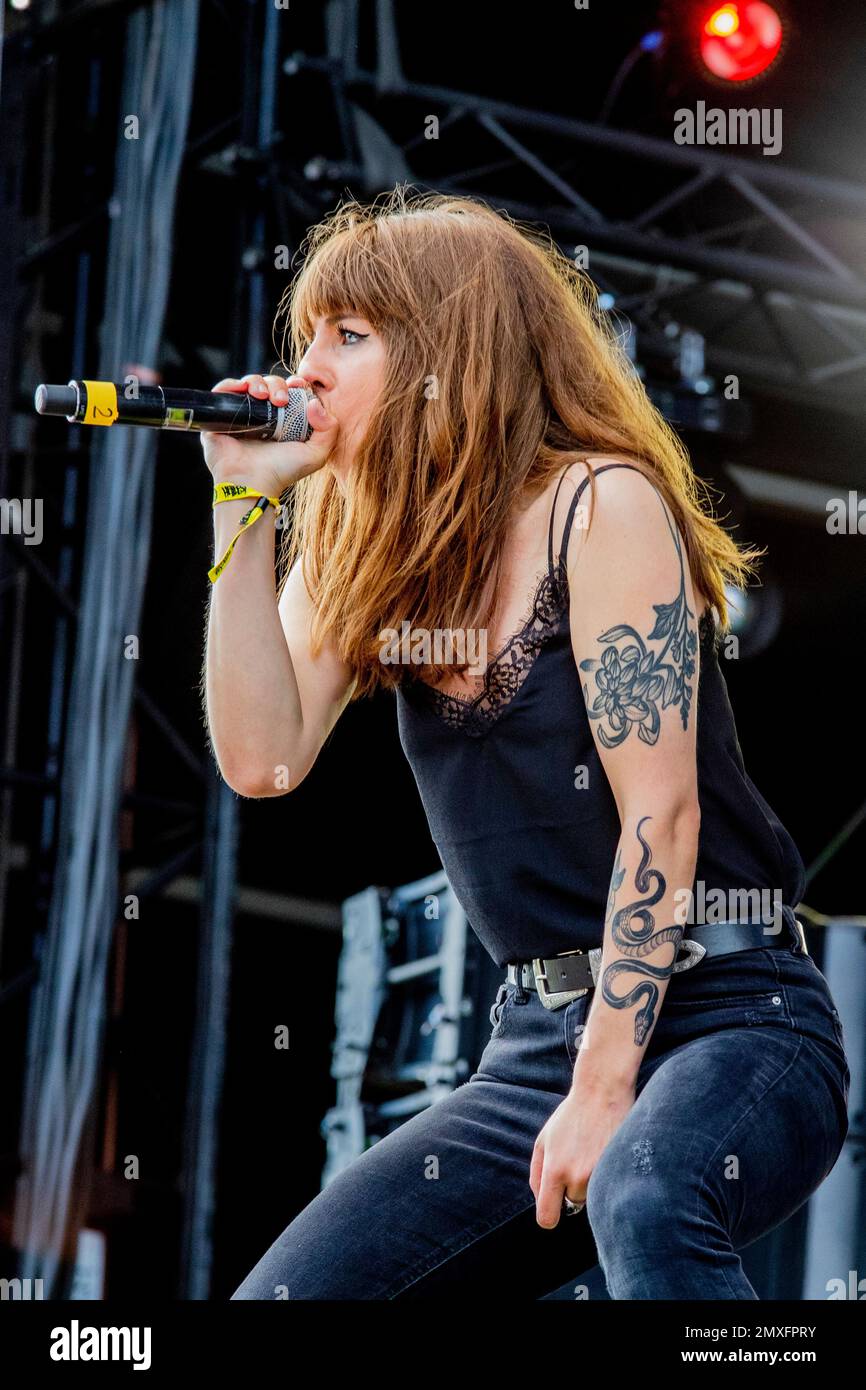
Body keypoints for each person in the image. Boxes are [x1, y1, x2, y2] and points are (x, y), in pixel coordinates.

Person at [201, 187, 850, 1300]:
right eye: (306, 337)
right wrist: (240, 510)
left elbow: (663, 812)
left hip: (733, 1016)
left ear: (452, 354)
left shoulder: (598, 505)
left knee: (647, 1192)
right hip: (535, 1039)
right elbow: (260, 761)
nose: (305, 369)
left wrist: (604, 1091)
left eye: (348, 337)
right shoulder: (371, 560)